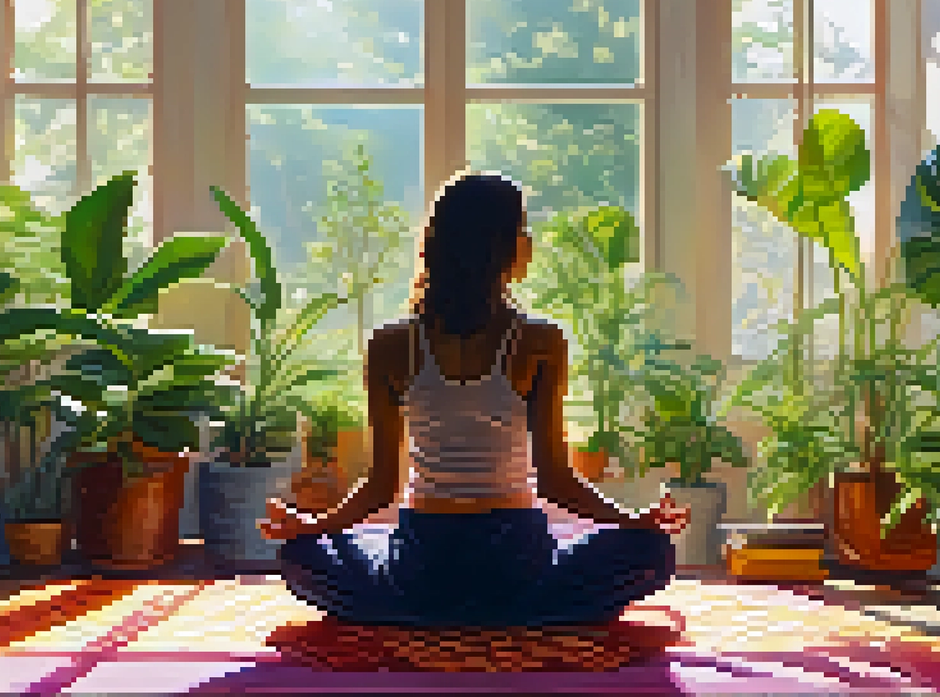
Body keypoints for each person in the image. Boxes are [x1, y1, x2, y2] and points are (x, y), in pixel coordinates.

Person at [261, 172, 688, 628]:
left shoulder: (389, 344)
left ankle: (419, 610)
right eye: (523, 230)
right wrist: (635, 520)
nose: (530, 241)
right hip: (515, 559)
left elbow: (380, 486)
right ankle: (520, 610)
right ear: (502, 247)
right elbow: (557, 483)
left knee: (302, 555)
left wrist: (313, 527)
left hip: (424, 562)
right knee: (651, 552)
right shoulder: (542, 341)